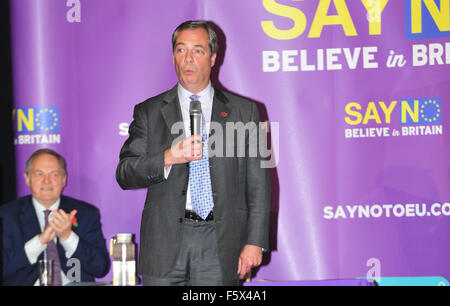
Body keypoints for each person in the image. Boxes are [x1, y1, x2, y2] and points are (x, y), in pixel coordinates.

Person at [116, 20, 271, 286]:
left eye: (197, 50)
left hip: (220, 242)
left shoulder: (245, 112)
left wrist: (254, 241)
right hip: (164, 245)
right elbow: (125, 173)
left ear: (212, 58)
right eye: (180, 50)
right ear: (173, 56)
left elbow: (259, 184)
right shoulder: (149, 111)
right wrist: (168, 157)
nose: (188, 58)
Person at [0, 149, 110, 286]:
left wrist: (68, 237)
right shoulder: (7, 215)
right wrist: (39, 241)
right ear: (27, 178)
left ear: (64, 180)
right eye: (39, 174)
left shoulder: (85, 213)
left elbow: (101, 268)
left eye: (54, 174)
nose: (47, 181)